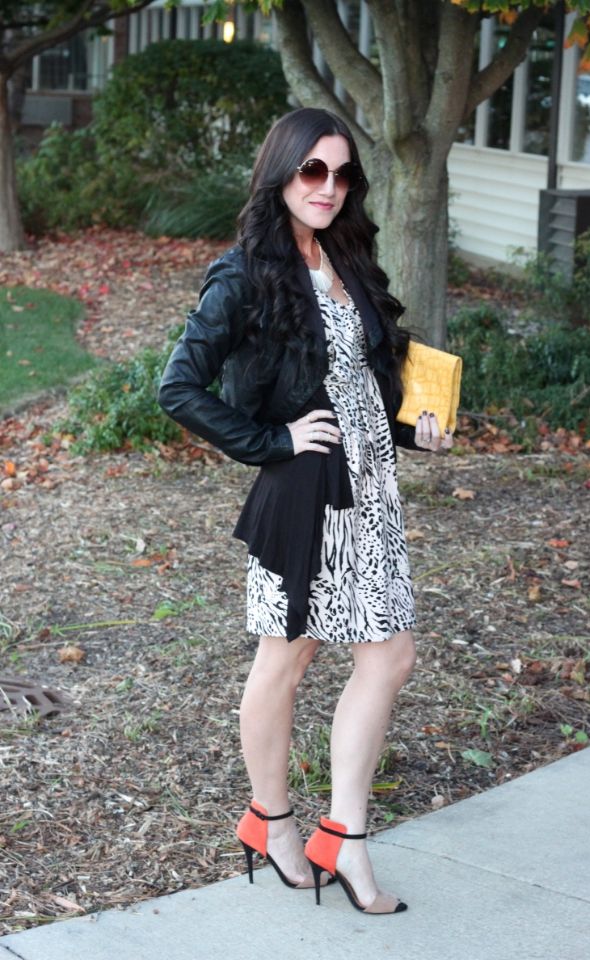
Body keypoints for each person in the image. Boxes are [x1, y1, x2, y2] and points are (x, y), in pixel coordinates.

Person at [158, 107, 453, 915]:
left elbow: (359, 382)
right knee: (286, 661)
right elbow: (178, 387)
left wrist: (413, 429)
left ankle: (343, 834)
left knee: (388, 656)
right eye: (312, 170)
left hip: (372, 493)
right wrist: (271, 441)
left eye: (342, 172)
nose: (328, 186)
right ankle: (273, 820)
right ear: (281, 173)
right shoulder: (245, 273)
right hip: (309, 496)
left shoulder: (345, 256)